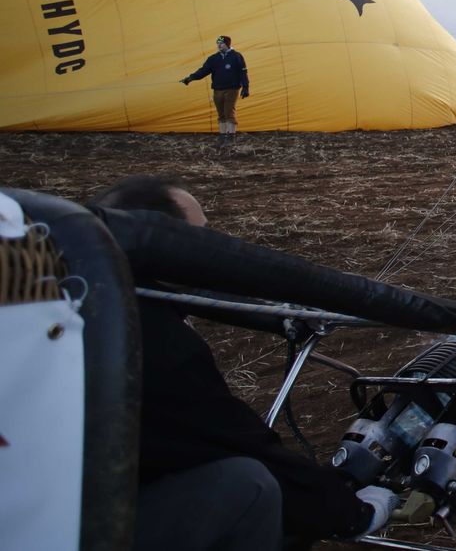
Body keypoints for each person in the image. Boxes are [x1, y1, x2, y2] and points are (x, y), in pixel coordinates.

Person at [90, 176, 397, 550]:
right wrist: (350, 512)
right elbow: (232, 441)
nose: (208, 250)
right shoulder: (150, 342)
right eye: (199, 238)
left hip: (87, 499)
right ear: (162, 246)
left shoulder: (91, 304)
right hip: (87, 529)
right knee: (248, 485)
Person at [181, 35, 250, 145]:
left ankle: (231, 137)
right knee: (221, 113)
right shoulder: (213, 58)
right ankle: (222, 136)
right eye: (217, 43)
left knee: (229, 111)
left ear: (227, 44)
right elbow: (203, 70)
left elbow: (243, 72)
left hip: (231, 89)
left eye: (221, 43)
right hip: (217, 89)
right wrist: (191, 78)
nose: (219, 45)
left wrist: (245, 86)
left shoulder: (236, 56)